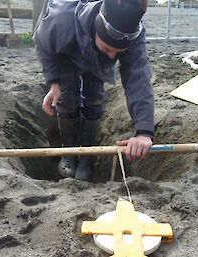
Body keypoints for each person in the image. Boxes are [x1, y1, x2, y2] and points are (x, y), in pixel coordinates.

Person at [34, 0, 154, 181]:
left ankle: (87, 157)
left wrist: (144, 131)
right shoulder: (60, 20)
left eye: (118, 51)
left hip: (98, 62)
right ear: (96, 28)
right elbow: (44, 46)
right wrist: (54, 83)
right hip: (69, 49)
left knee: (94, 98)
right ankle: (69, 153)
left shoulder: (132, 32)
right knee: (66, 100)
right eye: (108, 47)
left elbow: (138, 76)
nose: (113, 55)